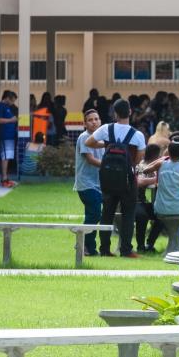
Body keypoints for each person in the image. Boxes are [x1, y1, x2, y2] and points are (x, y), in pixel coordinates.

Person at [86, 99, 147, 258]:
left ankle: (105, 249)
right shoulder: (137, 135)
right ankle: (126, 250)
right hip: (128, 179)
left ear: (115, 114)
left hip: (108, 178)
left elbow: (89, 142)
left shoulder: (106, 129)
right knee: (128, 214)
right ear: (130, 112)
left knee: (107, 213)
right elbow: (139, 158)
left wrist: (106, 146)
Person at [74, 109, 104, 256]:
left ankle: (87, 247)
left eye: (96, 119)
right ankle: (84, 244)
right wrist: (109, 166)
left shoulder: (102, 138)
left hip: (99, 184)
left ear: (100, 121)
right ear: (85, 124)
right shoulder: (84, 137)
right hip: (86, 184)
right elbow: (91, 160)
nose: (94, 122)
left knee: (91, 215)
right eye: (90, 120)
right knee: (95, 214)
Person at [145, 140, 179, 218]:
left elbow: (145, 170)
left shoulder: (160, 164)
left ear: (168, 151)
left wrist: (160, 159)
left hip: (160, 208)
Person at [135, 144, 164, 253]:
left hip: (147, 201)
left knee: (162, 216)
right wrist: (158, 178)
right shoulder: (141, 165)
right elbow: (140, 182)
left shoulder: (157, 166)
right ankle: (140, 246)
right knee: (142, 216)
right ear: (155, 155)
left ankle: (150, 244)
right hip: (136, 201)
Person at [0, 90, 18, 188]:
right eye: (12, 100)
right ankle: (4, 179)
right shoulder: (0, 106)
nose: (13, 103)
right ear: (7, 98)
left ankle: (6, 178)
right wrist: (11, 120)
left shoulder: (7, 107)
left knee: (7, 157)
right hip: (5, 136)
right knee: (5, 157)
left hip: (10, 136)